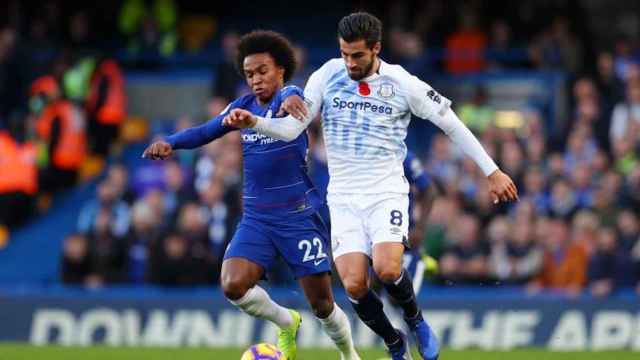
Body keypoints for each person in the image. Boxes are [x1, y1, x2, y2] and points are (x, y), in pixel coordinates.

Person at [224, 12, 518, 360]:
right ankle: (394, 342)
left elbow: (451, 124)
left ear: (376, 48)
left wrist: (492, 171)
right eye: (344, 53)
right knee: (353, 285)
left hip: (385, 191)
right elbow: (292, 129)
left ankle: (416, 321)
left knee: (389, 268)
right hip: (344, 197)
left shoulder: (402, 83)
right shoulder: (327, 75)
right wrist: (254, 122)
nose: (349, 62)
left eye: (357, 55)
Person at [142, 30, 359, 360]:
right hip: (257, 218)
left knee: (323, 305)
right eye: (249, 74)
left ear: (280, 70)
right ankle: (286, 321)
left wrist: (289, 96)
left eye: (263, 71)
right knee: (233, 285)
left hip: (297, 217)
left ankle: (349, 355)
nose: (256, 80)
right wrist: (170, 142)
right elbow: (205, 131)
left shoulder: (292, 97)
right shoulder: (240, 107)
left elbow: (294, 96)